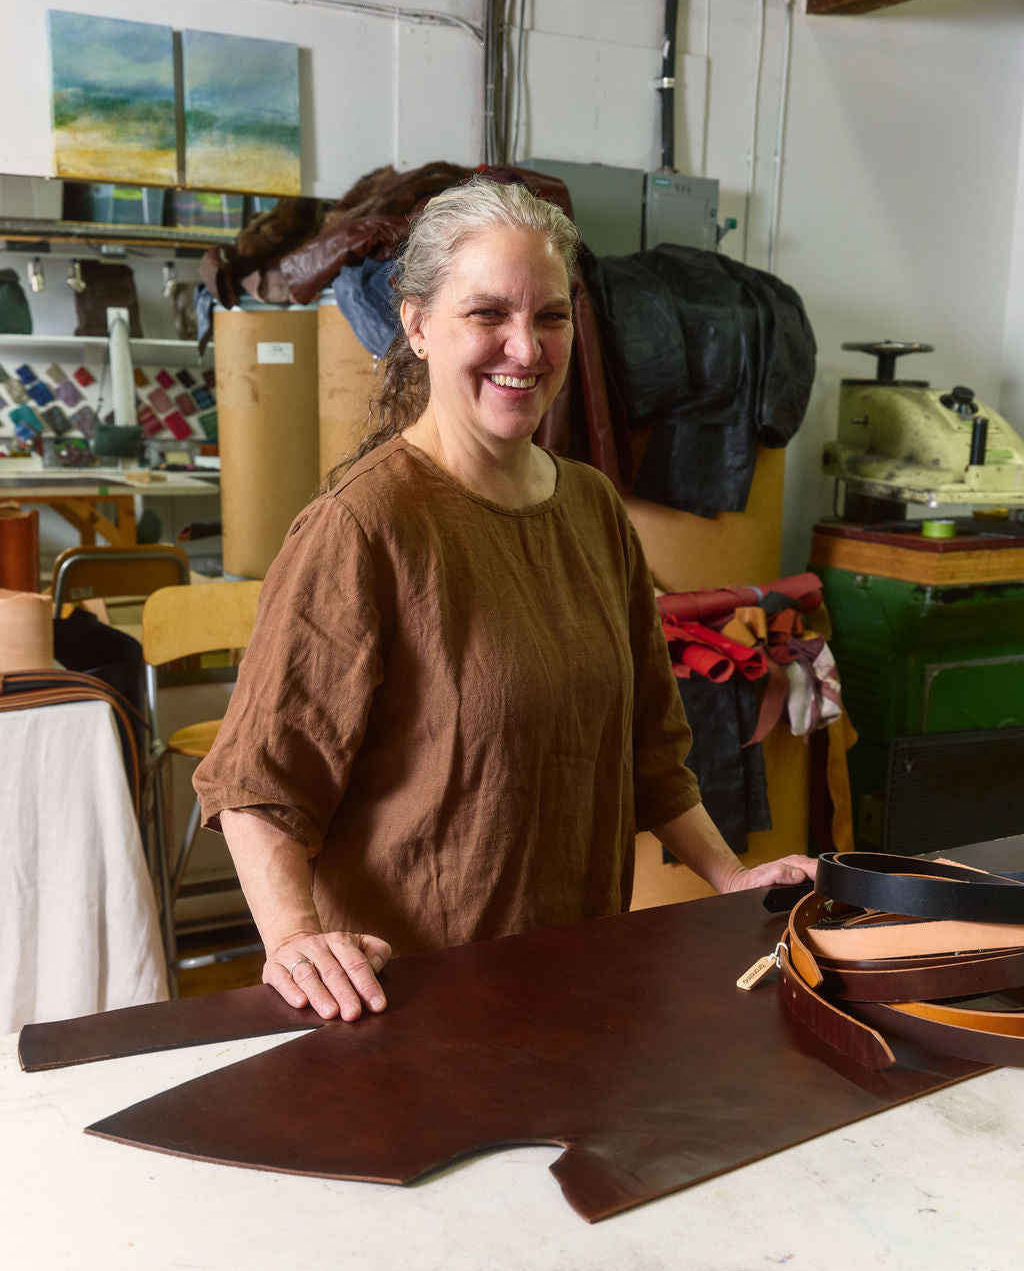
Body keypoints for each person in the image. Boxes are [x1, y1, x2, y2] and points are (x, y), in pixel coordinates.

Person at [193, 176, 815, 1025]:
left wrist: (731, 877)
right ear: (415, 324)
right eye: (488, 314)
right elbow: (259, 787)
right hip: (409, 1006)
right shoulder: (362, 528)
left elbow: (653, 755)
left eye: (551, 316)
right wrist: (295, 937)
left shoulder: (593, 509)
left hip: (579, 983)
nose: (526, 348)